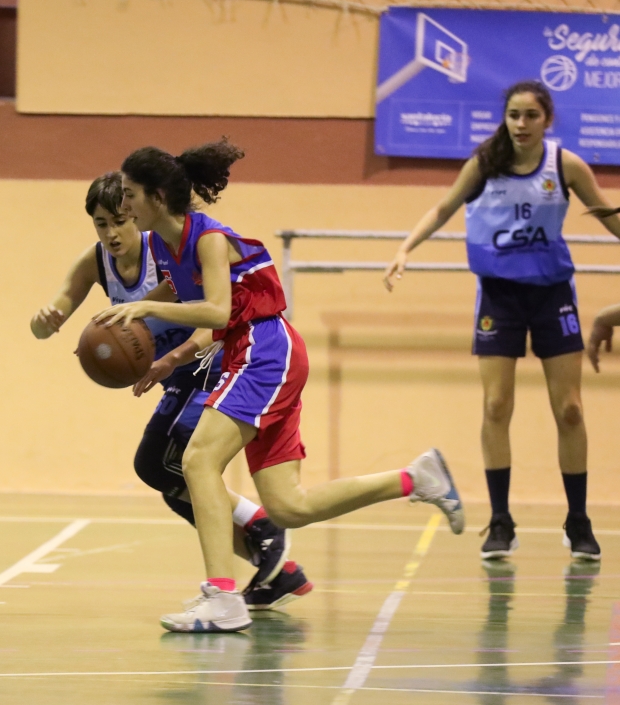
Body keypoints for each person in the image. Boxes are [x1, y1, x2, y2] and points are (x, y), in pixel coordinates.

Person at [97, 140, 464, 633]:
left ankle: (222, 598)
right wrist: (161, 347)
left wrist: (145, 306)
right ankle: (417, 478)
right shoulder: (165, 243)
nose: (124, 205)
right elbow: (180, 291)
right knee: (289, 506)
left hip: (264, 349)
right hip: (256, 353)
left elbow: (217, 311)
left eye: (129, 194)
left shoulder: (208, 238)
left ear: (157, 197)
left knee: (197, 460)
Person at [31, 173, 313, 609]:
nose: (111, 233)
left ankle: (260, 528)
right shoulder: (95, 262)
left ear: (136, 215)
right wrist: (44, 322)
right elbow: (51, 319)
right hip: (177, 376)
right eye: (101, 224)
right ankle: (277, 567)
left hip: (211, 362)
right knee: (163, 476)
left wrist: (174, 357)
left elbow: (214, 317)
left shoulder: (163, 249)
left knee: (177, 460)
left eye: (119, 221)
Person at [384, 81, 619, 563]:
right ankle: (500, 522)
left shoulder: (565, 165)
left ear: (546, 119)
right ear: (505, 118)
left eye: (531, 115)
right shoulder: (484, 163)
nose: (521, 124)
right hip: (499, 295)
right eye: (514, 115)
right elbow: (443, 208)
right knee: (495, 405)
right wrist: (405, 248)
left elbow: (608, 214)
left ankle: (578, 521)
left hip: (552, 293)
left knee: (570, 409)